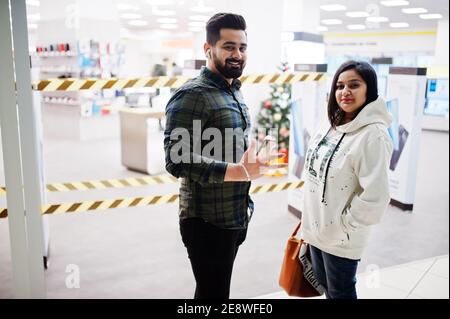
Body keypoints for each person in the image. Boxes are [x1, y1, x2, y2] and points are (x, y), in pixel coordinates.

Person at [164, 13, 283, 299]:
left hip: (235, 214)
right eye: (229, 47)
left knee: (213, 292)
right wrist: (240, 171)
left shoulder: (234, 91)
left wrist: (253, 148)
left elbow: (226, 143)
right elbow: (176, 158)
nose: (237, 54)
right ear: (208, 49)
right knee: (214, 295)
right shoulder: (192, 94)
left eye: (242, 48)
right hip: (206, 222)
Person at [299, 60, 393, 299]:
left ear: (369, 90)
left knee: (341, 292)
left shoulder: (373, 135)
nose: (345, 92)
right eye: (340, 86)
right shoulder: (331, 122)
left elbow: (376, 195)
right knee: (326, 288)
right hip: (317, 229)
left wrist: (344, 227)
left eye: (354, 85)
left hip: (341, 236)